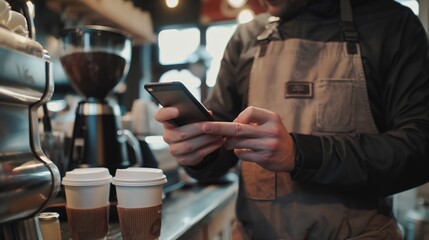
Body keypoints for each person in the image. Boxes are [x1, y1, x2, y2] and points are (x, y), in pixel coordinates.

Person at [154, 0, 429, 239]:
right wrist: (196, 152)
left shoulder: (392, 25)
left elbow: (419, 148)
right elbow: (219, 150)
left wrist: (300, 154)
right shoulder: (246, 38)